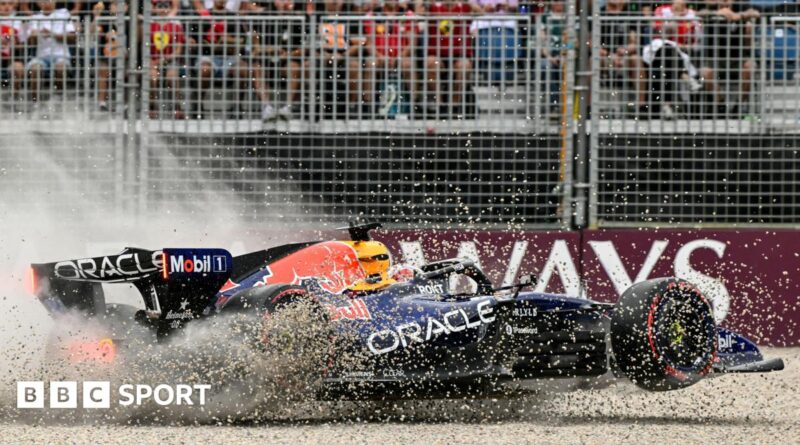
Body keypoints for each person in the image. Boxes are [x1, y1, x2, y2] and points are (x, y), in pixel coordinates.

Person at [198, 0, 273, 120]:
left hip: (230, 58)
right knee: (205, 69)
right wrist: (211, 45)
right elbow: (196, 39)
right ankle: (198, 106)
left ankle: (237, 107)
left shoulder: (233, 17)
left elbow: (243, 41)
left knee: (243, 69)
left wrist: (228, 41)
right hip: (209, 57)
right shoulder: (204, 16)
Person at [699, 0, 760, 113]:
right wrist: (716, 14)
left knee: (750, 67)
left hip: (738, 57)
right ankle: (720, 104)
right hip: (715, 58)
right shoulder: (711, 7)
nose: (725, 2)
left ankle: (739, 106)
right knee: (705, 72)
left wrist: (739, 15)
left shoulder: (740, 6)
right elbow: (699, 13)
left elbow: (756, 13)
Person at [256, 0, 308, 120]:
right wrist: (269, 50)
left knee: (294, 67)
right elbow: (255, 48)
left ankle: (287, 108)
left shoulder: (300, 19)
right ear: (275, 2)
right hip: (267, 61)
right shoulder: (264, 18)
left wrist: (289, 54)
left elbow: (305, 48)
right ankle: (266, 107)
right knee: (257, 67)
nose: (285, 3)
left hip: (288, 62)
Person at [362, 0, 417, 111]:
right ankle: (368, 108)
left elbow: (412, 43)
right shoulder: (373, 15)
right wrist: (380, 56)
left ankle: (413, 107)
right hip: (379, 57)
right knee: (370, 63)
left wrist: (399, 57)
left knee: (408, 64)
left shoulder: (407, 15)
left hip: (402, 57)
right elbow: (369, 44)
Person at [316, 0, 367, 115]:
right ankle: (310, 103)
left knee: (355, 66)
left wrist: (343, 55)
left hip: (345, 56)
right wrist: (323, 54)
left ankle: (351, 106)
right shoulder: (316, 17)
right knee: (309, 65)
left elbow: (360, 42)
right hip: (321, 56)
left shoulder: (350, 17)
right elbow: (310, 43)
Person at [423, 0, 473, 114]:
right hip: (437, 53)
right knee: (430, 63)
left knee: (464, 66)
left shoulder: (464, 7)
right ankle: (440, 105)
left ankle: (454, 105)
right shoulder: (433, 8)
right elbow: (418, 9)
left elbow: (481, 12)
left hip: (459, 54)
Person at [599, 0, 647, 114]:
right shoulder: (599, 14)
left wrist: (624, 51)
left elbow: (636, 42)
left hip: (626, 57)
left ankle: (642, 106)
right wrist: (610, 55)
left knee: (636, 60)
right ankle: (588, 108)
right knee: (592, 62)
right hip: (605, 57)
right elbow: (591, 43)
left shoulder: (633, 14)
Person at [26, 0, 76, 103]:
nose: (46, 3)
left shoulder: (64, 13)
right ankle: (35, 102)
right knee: (35, 69)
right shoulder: (35, 18)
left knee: (60, 68)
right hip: (41, 56)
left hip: (61, 55)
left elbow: (72, 37)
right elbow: (31, 42)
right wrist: (33, 36)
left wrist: (52, 34)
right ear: (38, 3)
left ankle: (58, 97)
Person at [148, 0, 187, 118]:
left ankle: (178, 108)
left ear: (170, 8)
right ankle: (152, 108)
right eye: (159, 5)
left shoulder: (176, 24)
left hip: (170, 60)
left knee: (172, 77)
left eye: (166, 5)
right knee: (152, 77)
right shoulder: (148, 24)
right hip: (152, 60)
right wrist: (151, 62)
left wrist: (163, 60)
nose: (163, 8)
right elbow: (144, 47)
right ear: (154, 8)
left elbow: (178, 51)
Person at [0, 0, 24, 104]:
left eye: (10, 3)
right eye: (3, 3)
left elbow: (23, 46)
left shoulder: (19, 22)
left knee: (18, 68)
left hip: (11, 57)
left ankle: (14, 99)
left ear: (14, 5)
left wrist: (16, 42)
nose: (6, 6)